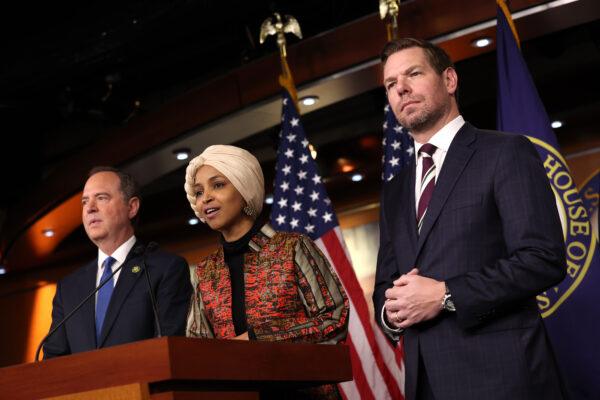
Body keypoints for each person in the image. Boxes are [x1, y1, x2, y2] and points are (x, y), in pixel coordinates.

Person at [373, 38, 567, 400]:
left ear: (449, 80)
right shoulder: (394, 189)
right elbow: (386, 286)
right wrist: (392, 312)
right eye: (390, 83)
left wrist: (445, 295)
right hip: (425, 382)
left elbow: (543, 259)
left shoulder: (505, 152)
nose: (401, 88)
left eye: (414, 73)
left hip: (504, 380)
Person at [184, 145, 348, 399]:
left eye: (217, 185)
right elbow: (197, 350)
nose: (205, 198)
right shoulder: (206, 272)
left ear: (244, 188)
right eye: (198, 191)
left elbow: (334, 320)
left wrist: (258, 340)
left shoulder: (292, 247)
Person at [43, 167, 192, 358]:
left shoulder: (164, 269)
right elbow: (53, 359)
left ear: (132, 207)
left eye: (102, 198)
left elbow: (170, 348)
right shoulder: (69, 288)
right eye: (85, 202)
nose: (90, 208)